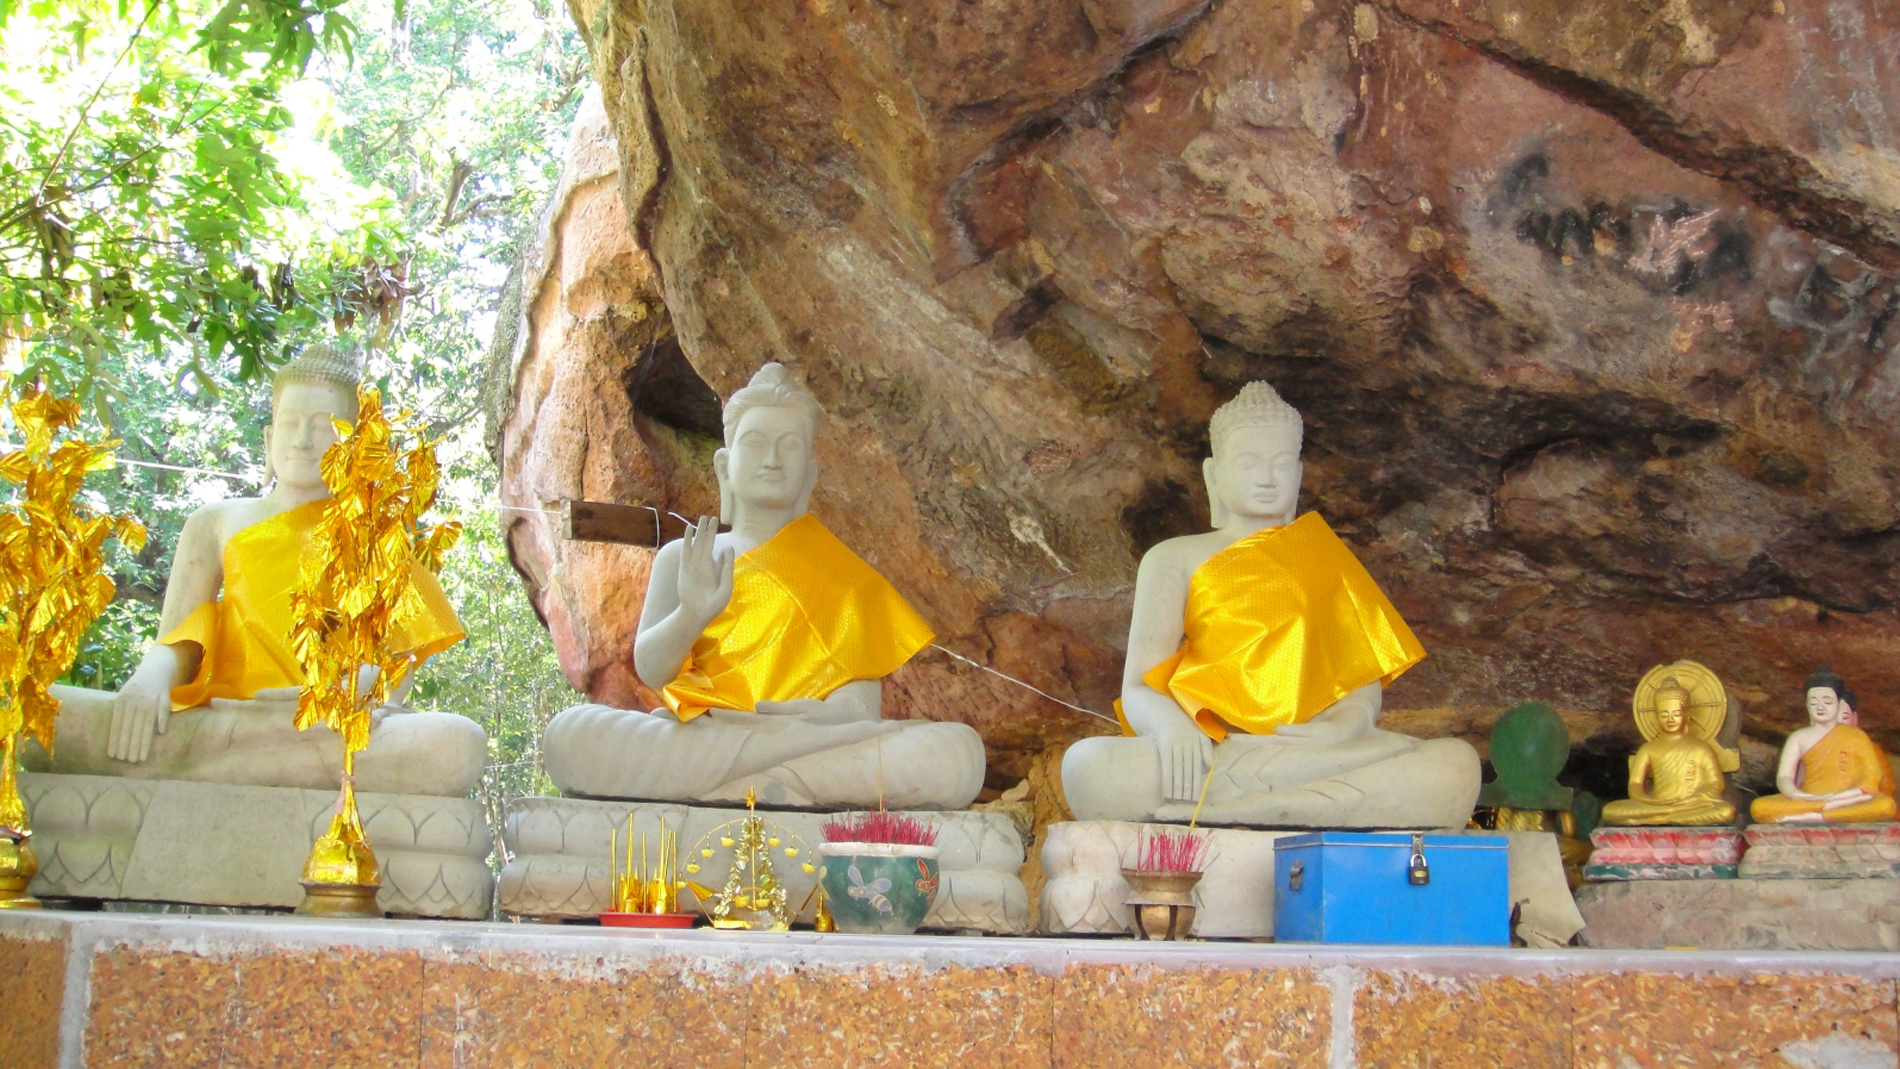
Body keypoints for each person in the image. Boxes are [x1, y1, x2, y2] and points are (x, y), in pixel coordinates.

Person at [27, 344, 485, 797]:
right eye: (289, 424)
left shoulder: (377, 536)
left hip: (323, 725)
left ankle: (213, 767)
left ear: (353, 445)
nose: (302, 440)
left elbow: (393, 668)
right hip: (224, 716)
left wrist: (342, 692)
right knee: (43, 713)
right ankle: (248, 761)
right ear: (268, 439)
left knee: (456, 745)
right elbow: (179, 642)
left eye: (323, 426)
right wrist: (151, 678)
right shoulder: (216, 521)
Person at [540, 363, 984, 809]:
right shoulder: (684, 557)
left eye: (789, 445)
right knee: (569, 737)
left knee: (956, 753)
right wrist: (691, 613)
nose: (772, 459)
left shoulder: (842, 573)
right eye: (755, 443)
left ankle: (738, 785)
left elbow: (859, 705)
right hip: (707, 735)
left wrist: (825, 717)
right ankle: (781, 785)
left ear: (810, 474)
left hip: (805, 737)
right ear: (724, 465)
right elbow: (654, 671)